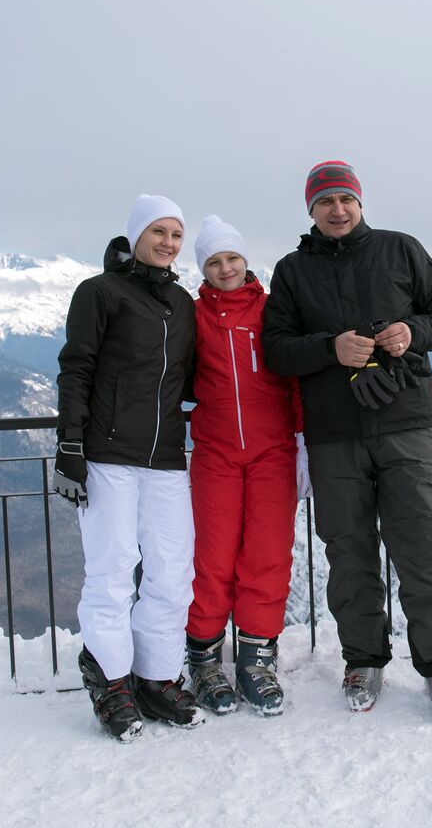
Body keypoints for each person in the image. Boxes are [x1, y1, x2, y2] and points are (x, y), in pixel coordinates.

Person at [260, 160, 432, 719]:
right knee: (349, 553)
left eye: (345, 199)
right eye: (325, 201)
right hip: (335, 433)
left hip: (405, 423)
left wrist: (413, 331)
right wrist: (330, 348)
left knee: (425, 547)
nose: (337, 209)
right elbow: (275, 348)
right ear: (311, 209)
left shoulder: (401, 249)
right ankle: (363, 660)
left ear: (360, 202)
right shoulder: (292, 270)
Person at [54, 194, 205, 741]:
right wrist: (70, 445)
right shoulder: (99, 293)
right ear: (136, 234)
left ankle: (157, 677)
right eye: (158, 231)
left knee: (171, 570)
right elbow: (77, 368)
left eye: (176, 235)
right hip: (108, 454)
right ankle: (111, 679)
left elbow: (187, 378)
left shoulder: (182, 303)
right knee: (113, 570)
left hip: (166, 456)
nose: (168, 243)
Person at [183, 215, 307, 717]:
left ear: (245, 260)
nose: (225, 268)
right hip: (214, 453)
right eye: (214, 262)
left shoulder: (273, 311)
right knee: (212, 557)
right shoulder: (192, 316)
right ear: (204, 270)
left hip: (272, 451)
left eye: (232, 257)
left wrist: (303, 441)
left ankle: (256, 658)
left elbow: (296, 376)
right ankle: (206, 660)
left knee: (267, 555)